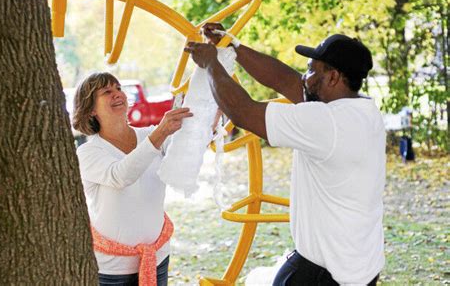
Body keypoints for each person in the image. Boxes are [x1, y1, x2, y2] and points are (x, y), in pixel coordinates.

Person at [185, 24, 384, 285]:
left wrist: (211, 64)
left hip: (327, 273)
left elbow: (243, 111)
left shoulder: (327, 122)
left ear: (333, 77)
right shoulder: (361, 110)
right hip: (360, 264)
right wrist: (233, 46)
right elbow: (285, 80)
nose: (305, 76)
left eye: (312, 69)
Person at [72, 72, 192, 286]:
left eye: (118, 88)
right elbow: (120, 175)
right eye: (107, 92)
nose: (117, 94)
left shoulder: (150, 135)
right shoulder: (88, 152)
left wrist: (210, 113)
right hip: (113, 270)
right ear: (91, 109)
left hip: (157, 258)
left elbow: (187, 147)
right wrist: (161, 133)